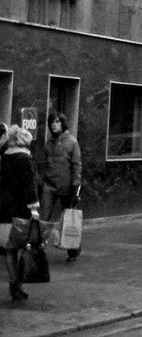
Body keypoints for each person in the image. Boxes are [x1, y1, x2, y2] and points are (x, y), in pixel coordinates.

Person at [1, 125, 41, 302]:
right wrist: (34, 208)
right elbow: (29, 186)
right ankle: (18, 287)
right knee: (21, 247)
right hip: (20, 208)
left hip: (3, 208)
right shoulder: (24, 159)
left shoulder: (4, 157)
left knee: (9, 249)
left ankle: (13, 284)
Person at [41, 111, 81, 262]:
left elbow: (77, 165)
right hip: (49, 185)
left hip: (67, 186)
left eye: (57, 121)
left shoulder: (72, 142)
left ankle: (73, 250)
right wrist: (42, 180)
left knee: (69, 219)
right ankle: (38, 247)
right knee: (44, 217)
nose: (54, 124)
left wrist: (76, 187)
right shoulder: (48, 143)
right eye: (51, 122)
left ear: (63, 123)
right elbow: (44, 163)